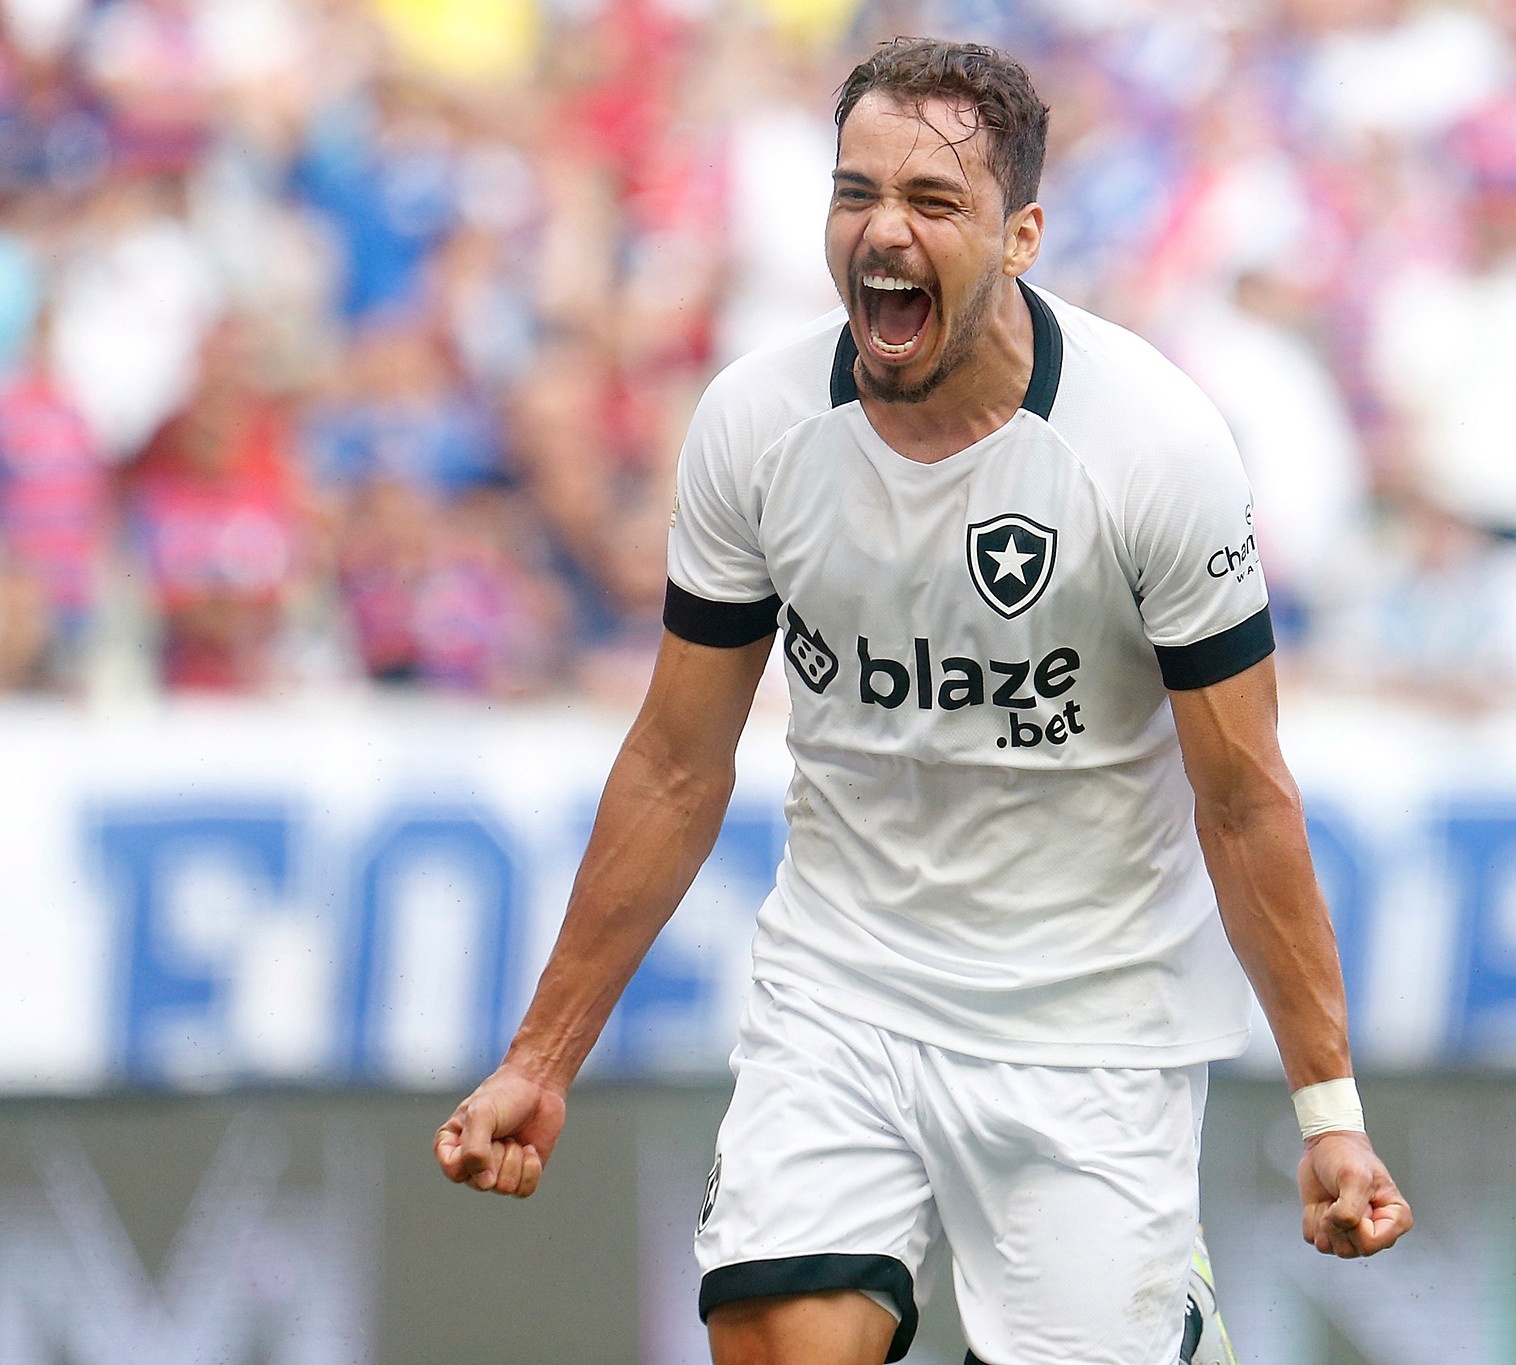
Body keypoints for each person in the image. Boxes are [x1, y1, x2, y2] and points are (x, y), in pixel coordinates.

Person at [434, 38, 1412, 1365]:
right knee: (779, 1334)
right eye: (857, 193)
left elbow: (1242, 795)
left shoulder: (1154, 446)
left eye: (934, 202)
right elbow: (675, 762)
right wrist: (540, 1059)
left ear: (1020, 235)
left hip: (1090, 1026)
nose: (884, 229)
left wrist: (1328, 1111)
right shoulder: (756, 426)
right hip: (846, 995)